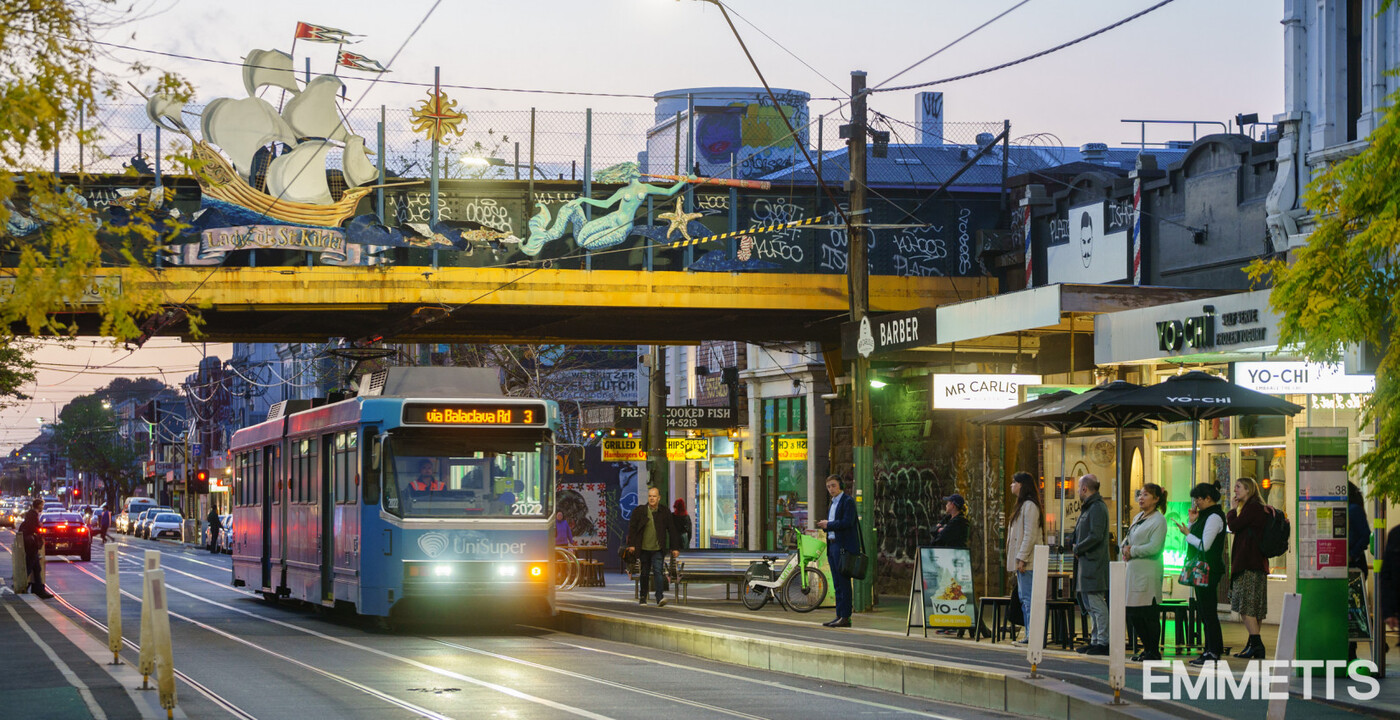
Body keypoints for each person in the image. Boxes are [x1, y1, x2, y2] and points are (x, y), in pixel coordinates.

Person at [1175, 482, 1226, 666]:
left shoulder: (1214, 517)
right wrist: (1191, 522)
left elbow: (1205, 545)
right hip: (1203, 569)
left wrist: (1187, 533)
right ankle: (1209, 649)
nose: (1196, 502)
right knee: (1204, 611)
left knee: (1208, 611)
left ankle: (1213, 651)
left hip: (1208, 569)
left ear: (1208, 498)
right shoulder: (1205, 516)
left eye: (1198, 498)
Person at [1122, 484, 1167, 662]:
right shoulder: (1138, 517)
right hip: (1133, 571)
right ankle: (1147, 648)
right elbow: (1128, 538)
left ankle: (1153, 650)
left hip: (1148, 572)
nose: (1141, 498)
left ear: (1156, 499)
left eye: (1146, 495)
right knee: (1133, 613)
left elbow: (1155, 547)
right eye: (1140, 494)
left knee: (1148, 613)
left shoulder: (1158, 520)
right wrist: (1124, 548)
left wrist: (1133, 551)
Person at [1226, 477, 1270, 659]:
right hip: (1258, 563)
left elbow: (1233, 525)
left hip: (1248, 563)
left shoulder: (1252, 508)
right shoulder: (1260, 508)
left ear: (1248, 489)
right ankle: (1252, 644)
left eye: (1238, 487)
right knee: (1255, 608)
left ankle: (1257, 644)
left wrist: (1232, 510)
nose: (1235, 490)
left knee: (1245, 607)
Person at [626, 486, 681, 607]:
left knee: (658, 572)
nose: (652, 498)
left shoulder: (664, 512)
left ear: (659, 498)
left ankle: (659, 597)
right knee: (644, 573)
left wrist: (675, 547)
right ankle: (643, 597)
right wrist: (632, 544)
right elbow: (632, 528)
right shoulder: (640, 511)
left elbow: (672, 529)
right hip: (644, 548)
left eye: (654, 496)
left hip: (658, 548)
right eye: (650, 496)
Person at [1073, 474, 1110, 655]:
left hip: (1094, 563)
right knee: (1089, 605)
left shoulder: (1097, 507)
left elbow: (1096, 535)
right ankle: (1095, 639)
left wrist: (1078, 548)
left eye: (1078, 488)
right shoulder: (1088, 507)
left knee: (1096, 604)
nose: (1077, 491)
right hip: (1086, 563)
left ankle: (1103, 642)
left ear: (1084, 489)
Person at [1007, 471, 1043, 644]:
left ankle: (1032, 635)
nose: (1011, 485)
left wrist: (1022, 558)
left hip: (1028, 562)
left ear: (1021, 485)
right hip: (1024, 561)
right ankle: (1030, 633)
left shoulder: (1029, 506)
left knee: (1028, 599)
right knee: (1024, 598)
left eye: (1014, 482)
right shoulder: (1023, 505)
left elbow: (1030, 534)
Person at [816, 474, 857, 628]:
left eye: (833, 485)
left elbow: (847, 522)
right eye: (828, 487)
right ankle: (839, 615)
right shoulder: (832, 503)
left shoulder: (847, 501)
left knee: (843, 582)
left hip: (842, 546)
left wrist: (829, 524)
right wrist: (826, 526)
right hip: (832, 544)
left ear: (840, 485)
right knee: (837, 583)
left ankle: (846, 616)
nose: (831, 489)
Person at [18, 498, 52, 598]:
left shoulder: (32, 514)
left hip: (31, 544)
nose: (43, 507)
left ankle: (38, 590)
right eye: (42, 505)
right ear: (38, 505)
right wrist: (39, 526)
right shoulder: (32, 515)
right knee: (29, 567)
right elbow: (32, 528)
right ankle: (22, 586)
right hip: (31, 545)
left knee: (37, 568)